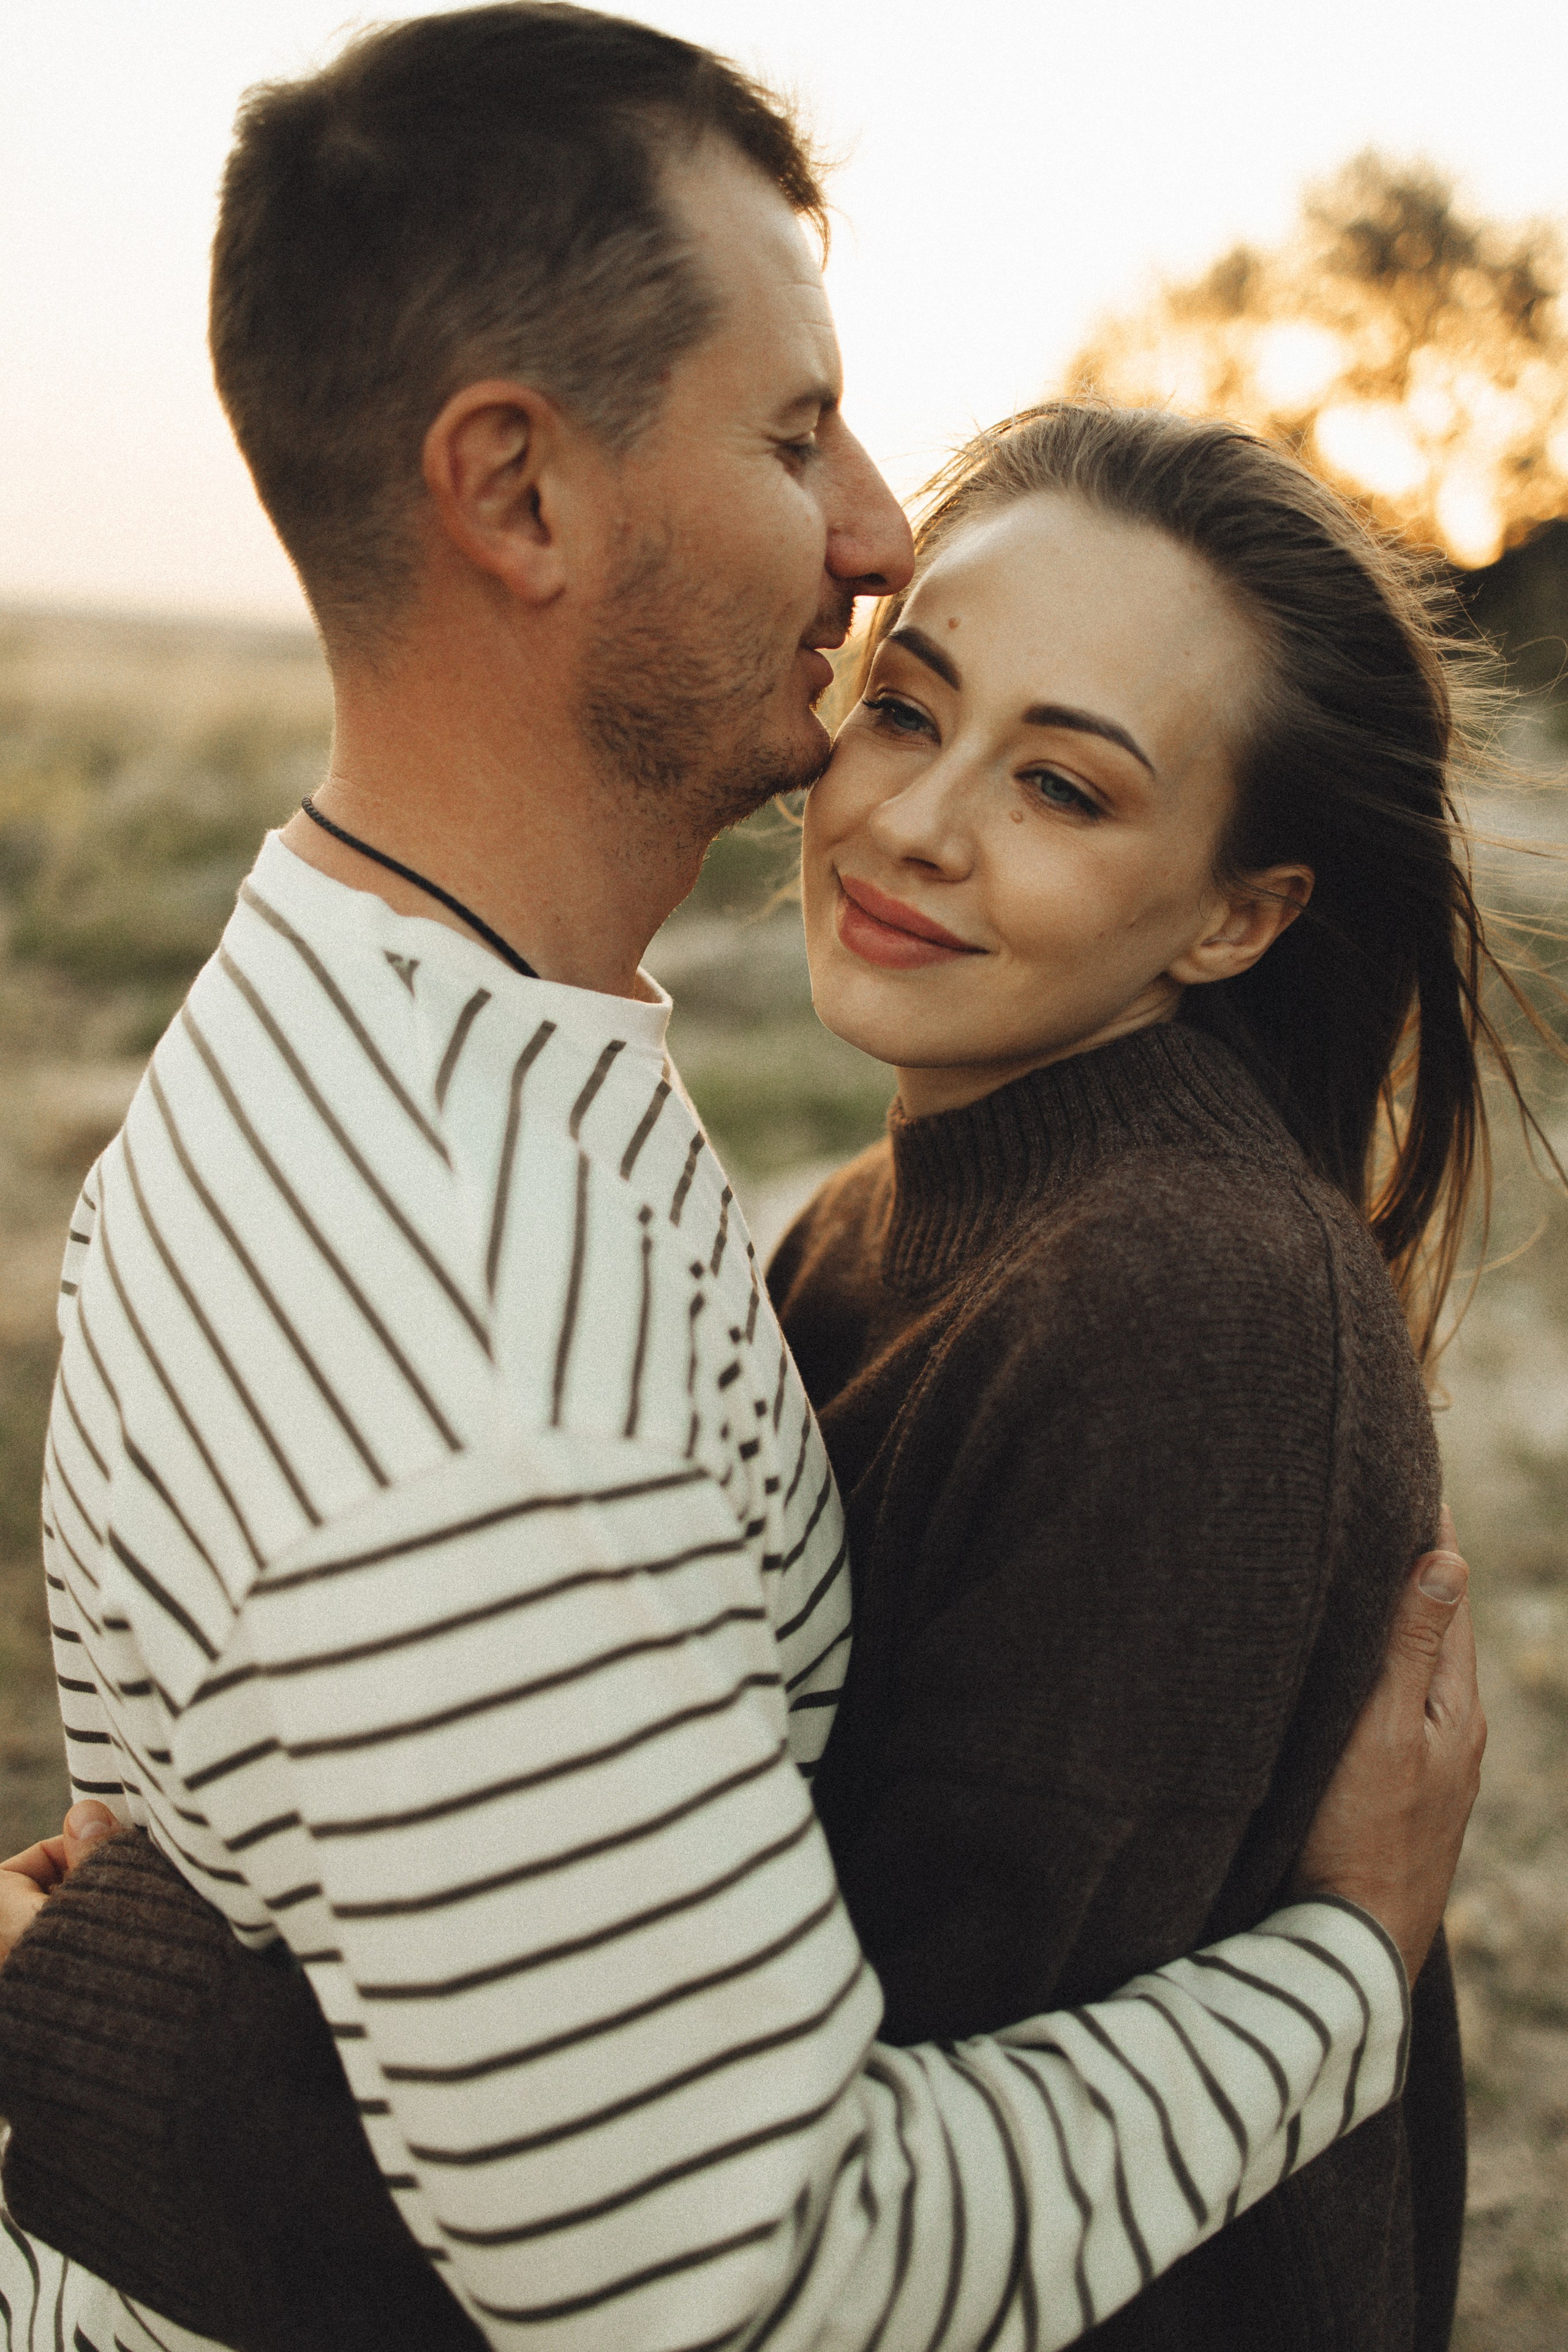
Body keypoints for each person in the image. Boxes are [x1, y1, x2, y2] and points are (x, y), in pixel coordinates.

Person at [0, 10, 1482, 2352]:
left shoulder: (433, 1048)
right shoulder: (472, 1329)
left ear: (1239, 906)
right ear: (521, 493)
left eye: (1071, 782)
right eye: (795, 435)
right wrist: (1339, 1972)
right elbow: (727, 2279)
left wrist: (141, 2003)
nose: (876, 534)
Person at [772, 399, 1532, 2348]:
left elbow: (858, 2187)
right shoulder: (872, 1218)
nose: (919, 823)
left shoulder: (1186, 1303)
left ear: (1238, 916)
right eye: (911, 707)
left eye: (1066, 791)